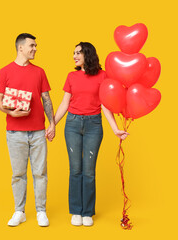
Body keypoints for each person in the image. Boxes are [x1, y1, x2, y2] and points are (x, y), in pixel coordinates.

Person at [51, 42, 129, 227]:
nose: (74, 56)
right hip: (72, 125)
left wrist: (115, 128)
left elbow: (105, 105)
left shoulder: (103, 76)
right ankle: (76, 211)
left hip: (94, 125)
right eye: (74, 53)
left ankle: (87, 212)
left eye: (78, 52)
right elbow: (64, 103)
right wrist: (52, 123)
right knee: (75, 169)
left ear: (88, 54)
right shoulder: (71, 76)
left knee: (89, 171)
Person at [0, 33, 55, 227]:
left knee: (40, 173)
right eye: (32, 45)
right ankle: (19, 211)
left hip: (38, 131)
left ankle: (41, 211)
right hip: (15, 132)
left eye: (35, 45)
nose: (35, 49)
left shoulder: (40, 72)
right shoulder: (4, 71)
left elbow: (46, 98)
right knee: (18, 174)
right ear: (20, 48)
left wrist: (52, 123)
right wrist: (11, 113)